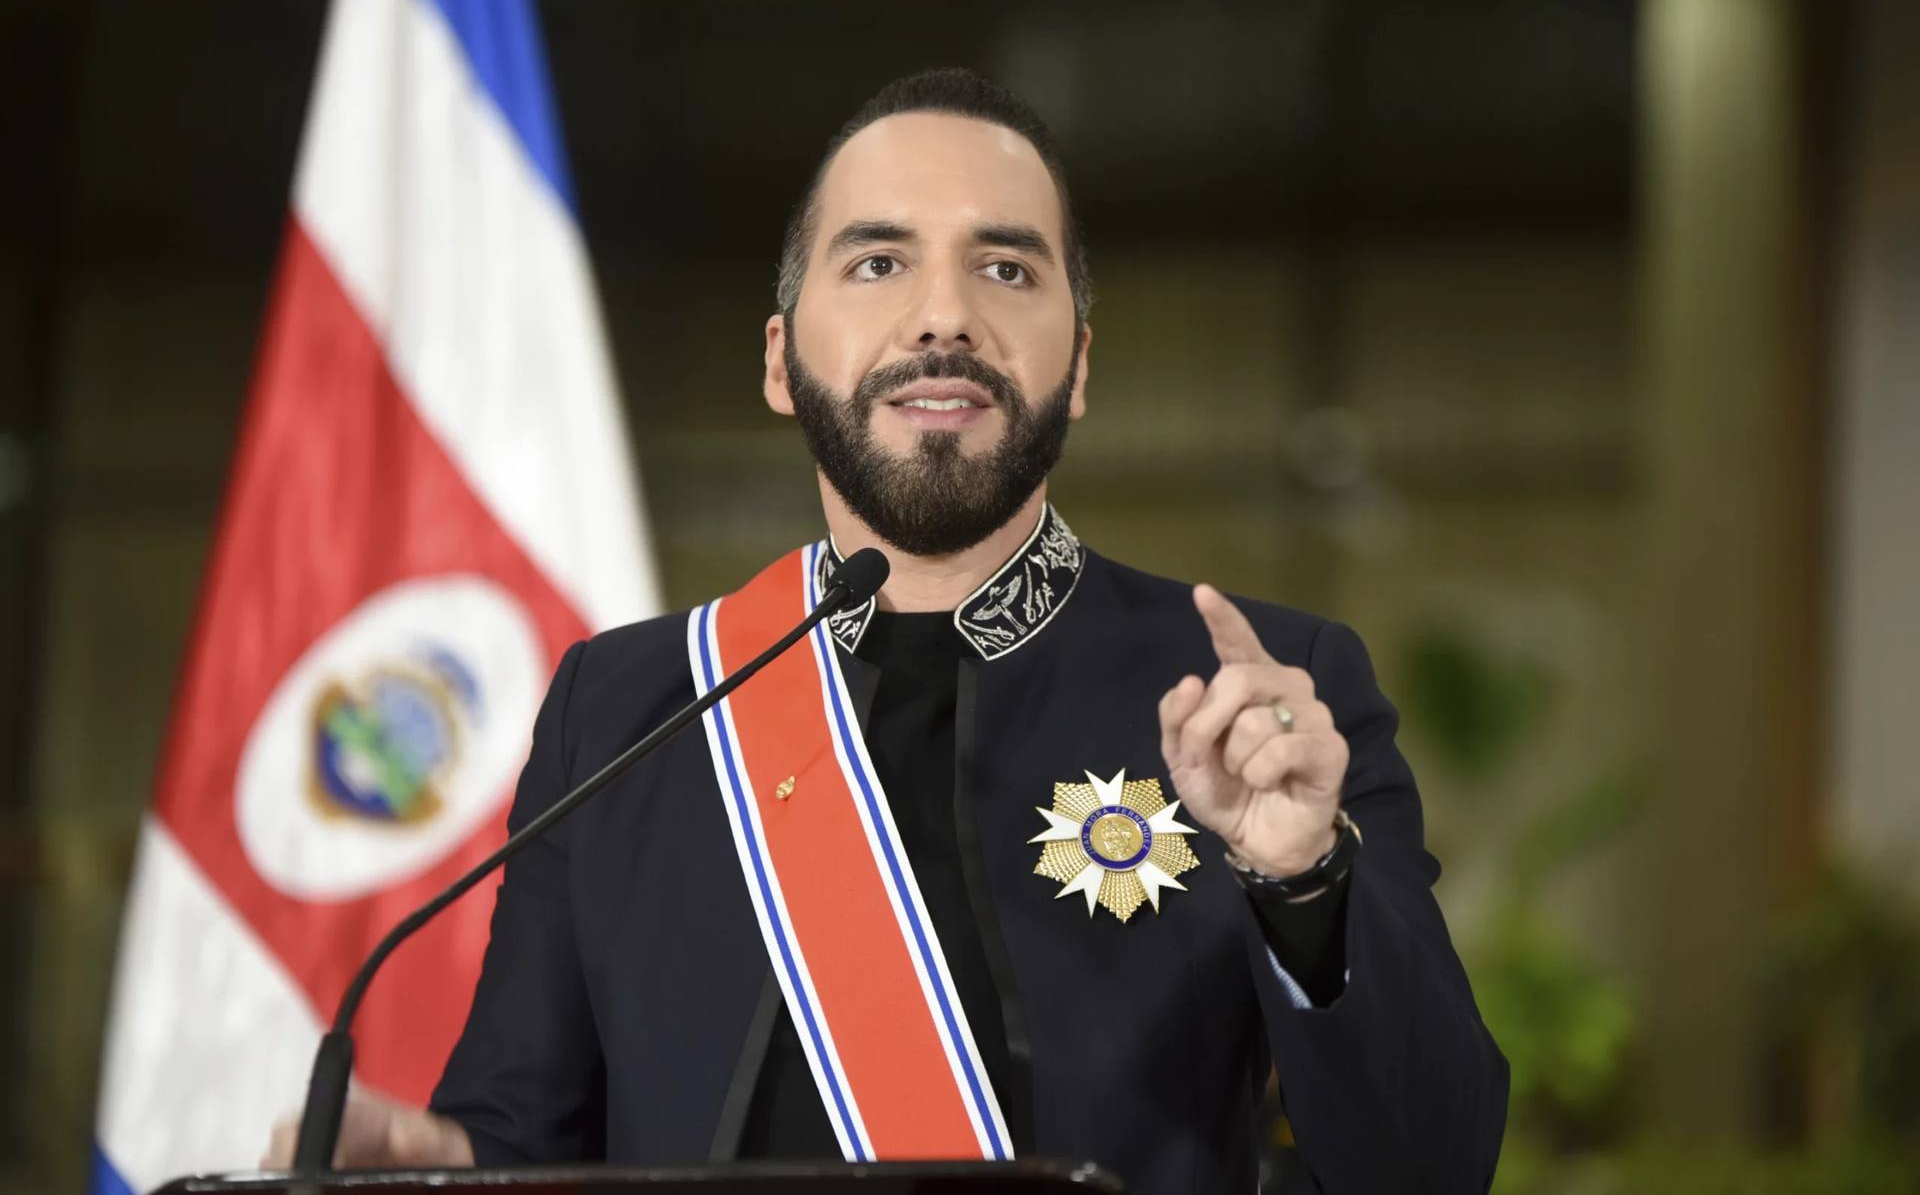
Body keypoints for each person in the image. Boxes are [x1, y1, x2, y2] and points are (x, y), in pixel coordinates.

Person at [266, 68, 1508, 1193]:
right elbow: (521, 1141)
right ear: (776, 359)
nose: (942, 317)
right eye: (877, 263)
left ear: (1077, 365)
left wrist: (1305, 879)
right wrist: (433, 1165)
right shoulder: (629, 706)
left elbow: (1434, 1165)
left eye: (1007, 269)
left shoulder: (1260, 699)